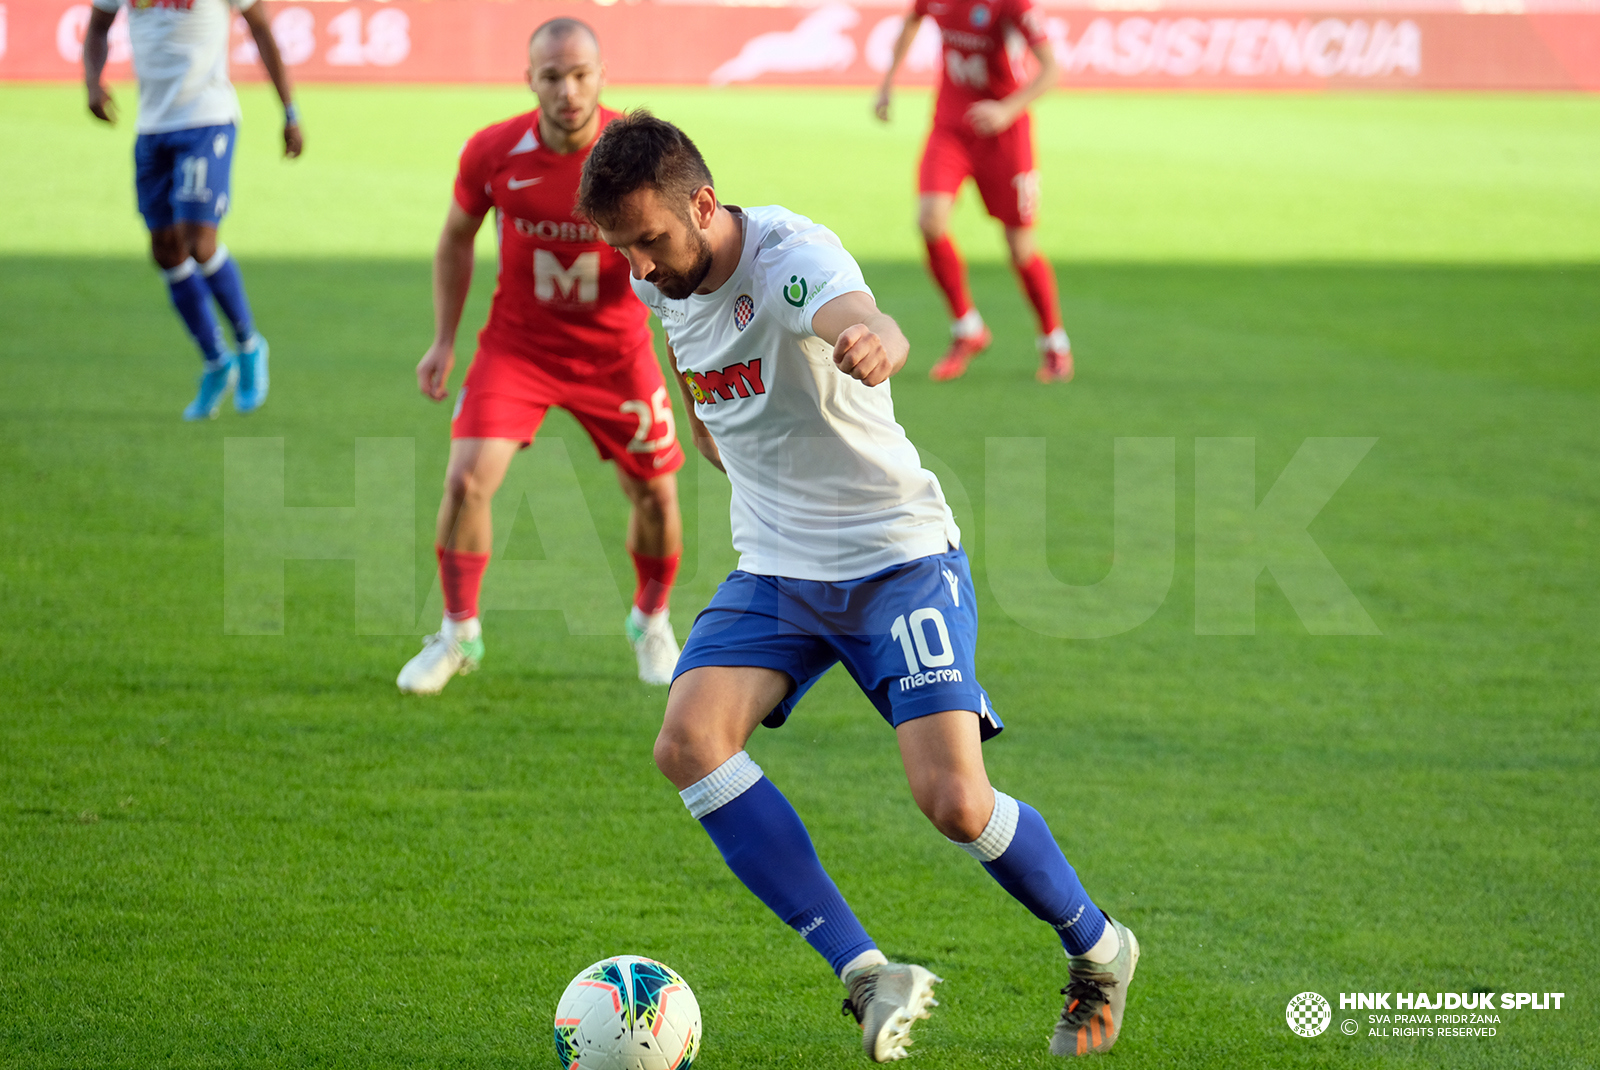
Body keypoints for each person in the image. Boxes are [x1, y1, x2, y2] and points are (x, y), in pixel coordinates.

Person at [577, 111, 1138, 1061]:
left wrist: (874, 341)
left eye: (650, 241)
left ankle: (1099, 949)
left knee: (955, 801)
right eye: (623, 249)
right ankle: (867, 975)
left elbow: (858, 317)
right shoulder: (664, 287)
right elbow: (698, 386)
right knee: (688, 741)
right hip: (780, 572)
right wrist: (717, 439)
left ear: (703, 206)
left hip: (895, 562)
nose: (639, 266)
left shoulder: (792, 255)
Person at [398, 20, 685, 695]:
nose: (567, 89)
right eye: (552, 76)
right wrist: (444, 339)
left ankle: (651, 620)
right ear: (530, 79)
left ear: (602, 76)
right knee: (467, 481)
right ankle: (457, 634)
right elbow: (456, 239)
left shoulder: (641, 156)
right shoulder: (494, 152)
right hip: (518, 348)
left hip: (617, 353)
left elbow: (682, 257)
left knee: (656, 493)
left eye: (580, 74)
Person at [84, 0, 302, 420]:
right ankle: (216, 361)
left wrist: (289, 112)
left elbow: (261, 29)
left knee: (198, 241)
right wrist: (93, 83)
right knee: (166, 250)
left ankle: (249, 344)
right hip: (152, 127)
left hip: (206, 119)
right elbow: (97, 27)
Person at [874, 0, 1073, 384]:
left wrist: (1007, 109)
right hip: (950, 128)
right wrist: (887, 83)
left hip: (1005, 135)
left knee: (1021, 249)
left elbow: (1051, 70)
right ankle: (968, 329)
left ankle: (1054, 342)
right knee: (930, 221)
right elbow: (913, 20)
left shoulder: (1013, 4)